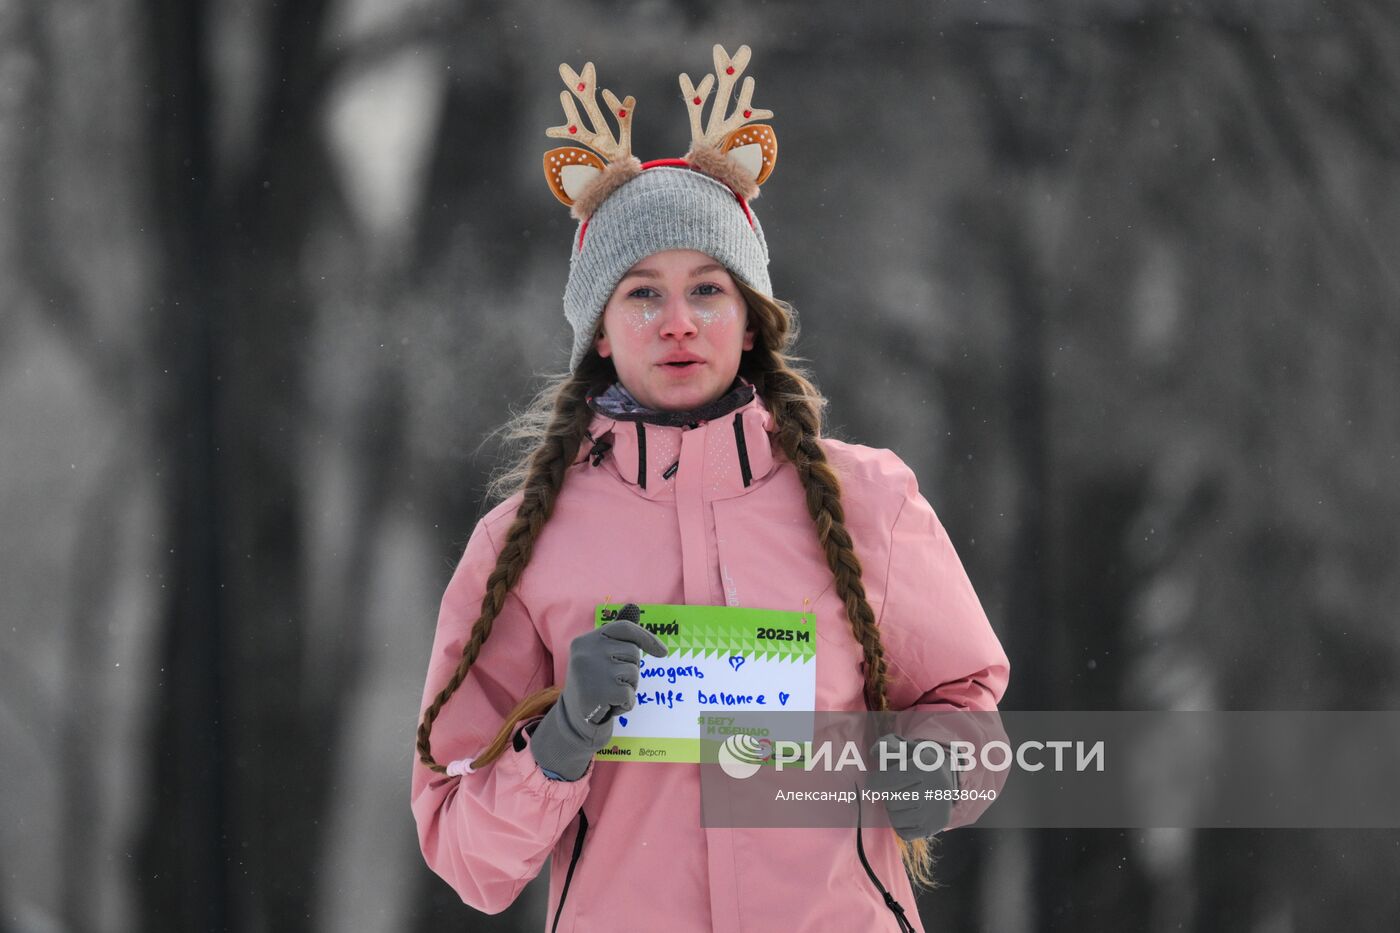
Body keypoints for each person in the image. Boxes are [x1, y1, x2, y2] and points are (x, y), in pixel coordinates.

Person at [412, 44, 1010, 933]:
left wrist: (929, 775)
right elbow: (463, 849)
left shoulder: (871, 502)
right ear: (602, 334)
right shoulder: (517, 549)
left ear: (752, 316)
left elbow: (973, 716)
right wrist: (563, 739)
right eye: (643, 294)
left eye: (709, 289)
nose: (680, 321)